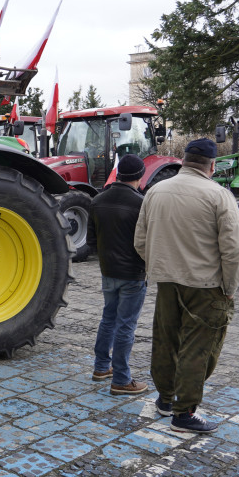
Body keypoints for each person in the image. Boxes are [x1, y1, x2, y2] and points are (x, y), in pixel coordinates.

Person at [134, 138, 239, 434]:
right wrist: (230, 287)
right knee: (198, 349)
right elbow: (234, 250)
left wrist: (161, 265)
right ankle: (185, 413)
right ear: (212, 166)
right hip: (206, 285)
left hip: (166, 282)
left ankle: (166, 399)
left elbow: (141, 241)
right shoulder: (219, 195)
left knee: (166, 342)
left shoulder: (155, 191)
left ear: (183, 160)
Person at [89, 153, 149, 396]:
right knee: (126, 325)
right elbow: (146, 242)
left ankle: (101, 368)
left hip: (108, 271)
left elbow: (92, 240)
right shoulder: (141, 203)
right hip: (133, 274)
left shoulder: (97, 200)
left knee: (109, 319)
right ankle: (122, 379)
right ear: (139, 175)